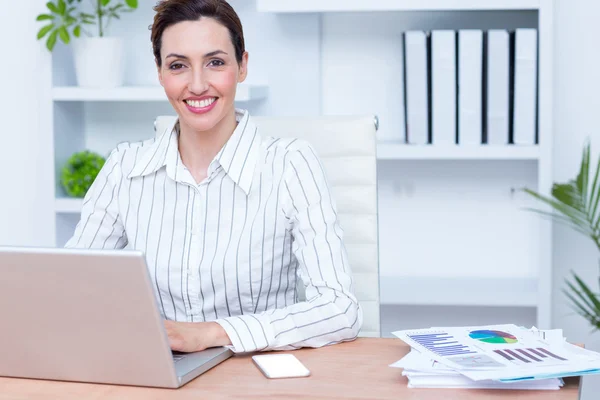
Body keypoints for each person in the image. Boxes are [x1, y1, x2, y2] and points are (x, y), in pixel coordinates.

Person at [65, 0, 362, 354]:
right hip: (158, 374)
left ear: (242, 66)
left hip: (255, 377)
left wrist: (211, 333)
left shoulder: (289, 165)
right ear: (160, 74)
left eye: (215, 62)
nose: (197, 84)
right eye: (178, 66)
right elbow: (72, 288)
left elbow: (340, 309)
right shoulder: (124, 167)